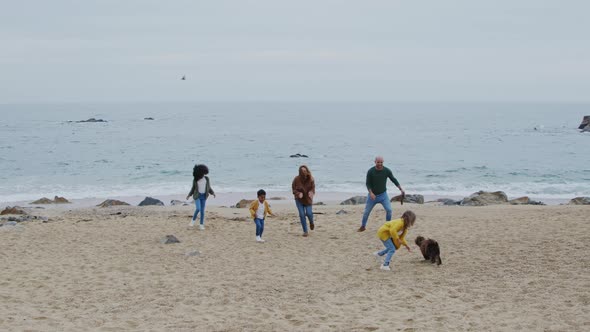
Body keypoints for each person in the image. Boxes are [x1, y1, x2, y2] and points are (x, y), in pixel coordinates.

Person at [358, 156, 405, 232]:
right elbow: (368, 184)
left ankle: (387, 226)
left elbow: (393, 179)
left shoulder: (387, 171)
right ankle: (363, 226)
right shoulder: (370, 171)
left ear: (383, 162)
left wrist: (400, 189)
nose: (380, 164)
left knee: (389, 210)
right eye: (378, 162)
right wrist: (371, 193)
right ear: (375, 162)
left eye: (381, 162)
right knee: (366, 212)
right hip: (372, 196)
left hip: (383, 195)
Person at [186, 164, 215, 230]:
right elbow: (193, 188)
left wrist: (212, 193)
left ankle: (201, 224)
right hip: (197, 196)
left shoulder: (206, 179)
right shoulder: (195, 180)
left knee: (202, 211)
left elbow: (209, 187)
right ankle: (192, 221)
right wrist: (189, 195)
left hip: (204, 196)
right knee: (198, 208)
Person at [292, 165, 315, 237]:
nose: (303, 172)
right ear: (299, 172)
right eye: (302, 171)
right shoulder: (296, 179)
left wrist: (311, 192)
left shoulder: (311, 179)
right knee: (302, 215)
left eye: (305, 171)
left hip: (308, 199)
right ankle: (305, 231)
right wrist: (298, 193)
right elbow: (293, 189)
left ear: (307, 171)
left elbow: (313, 188)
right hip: (299, 199)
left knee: (309, 213)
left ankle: (311, 222)